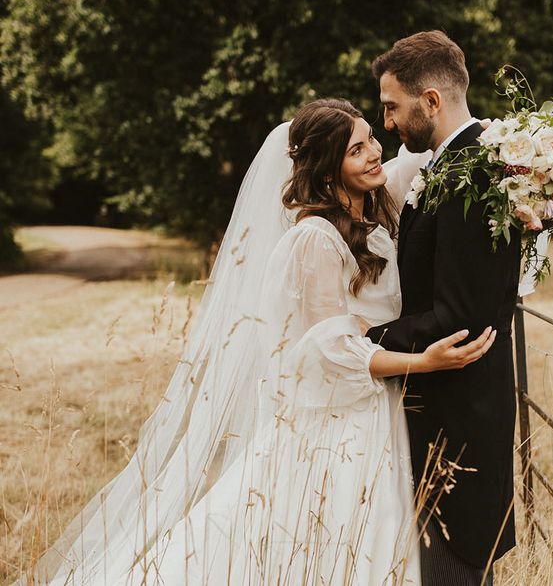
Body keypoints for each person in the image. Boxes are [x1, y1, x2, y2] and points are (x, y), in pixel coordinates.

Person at [22, 98, 496, 586]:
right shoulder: (315, 237)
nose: (376, 152)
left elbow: (435, 152)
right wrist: (426, 362)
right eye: (357, 149)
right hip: (338, 422)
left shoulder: (378, 206)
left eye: (372, 138)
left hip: (377, 412)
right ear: (330, 174)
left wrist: (526, 167)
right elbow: (328, 351)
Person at [367, 31, 523, 585]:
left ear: (430, 100)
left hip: (458, 422)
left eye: (392, 106)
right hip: (445, 409)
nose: (386, 122)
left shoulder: (473, 173)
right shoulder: (454, 161)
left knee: (448, 572)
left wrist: (364, 341)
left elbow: (458, 317)